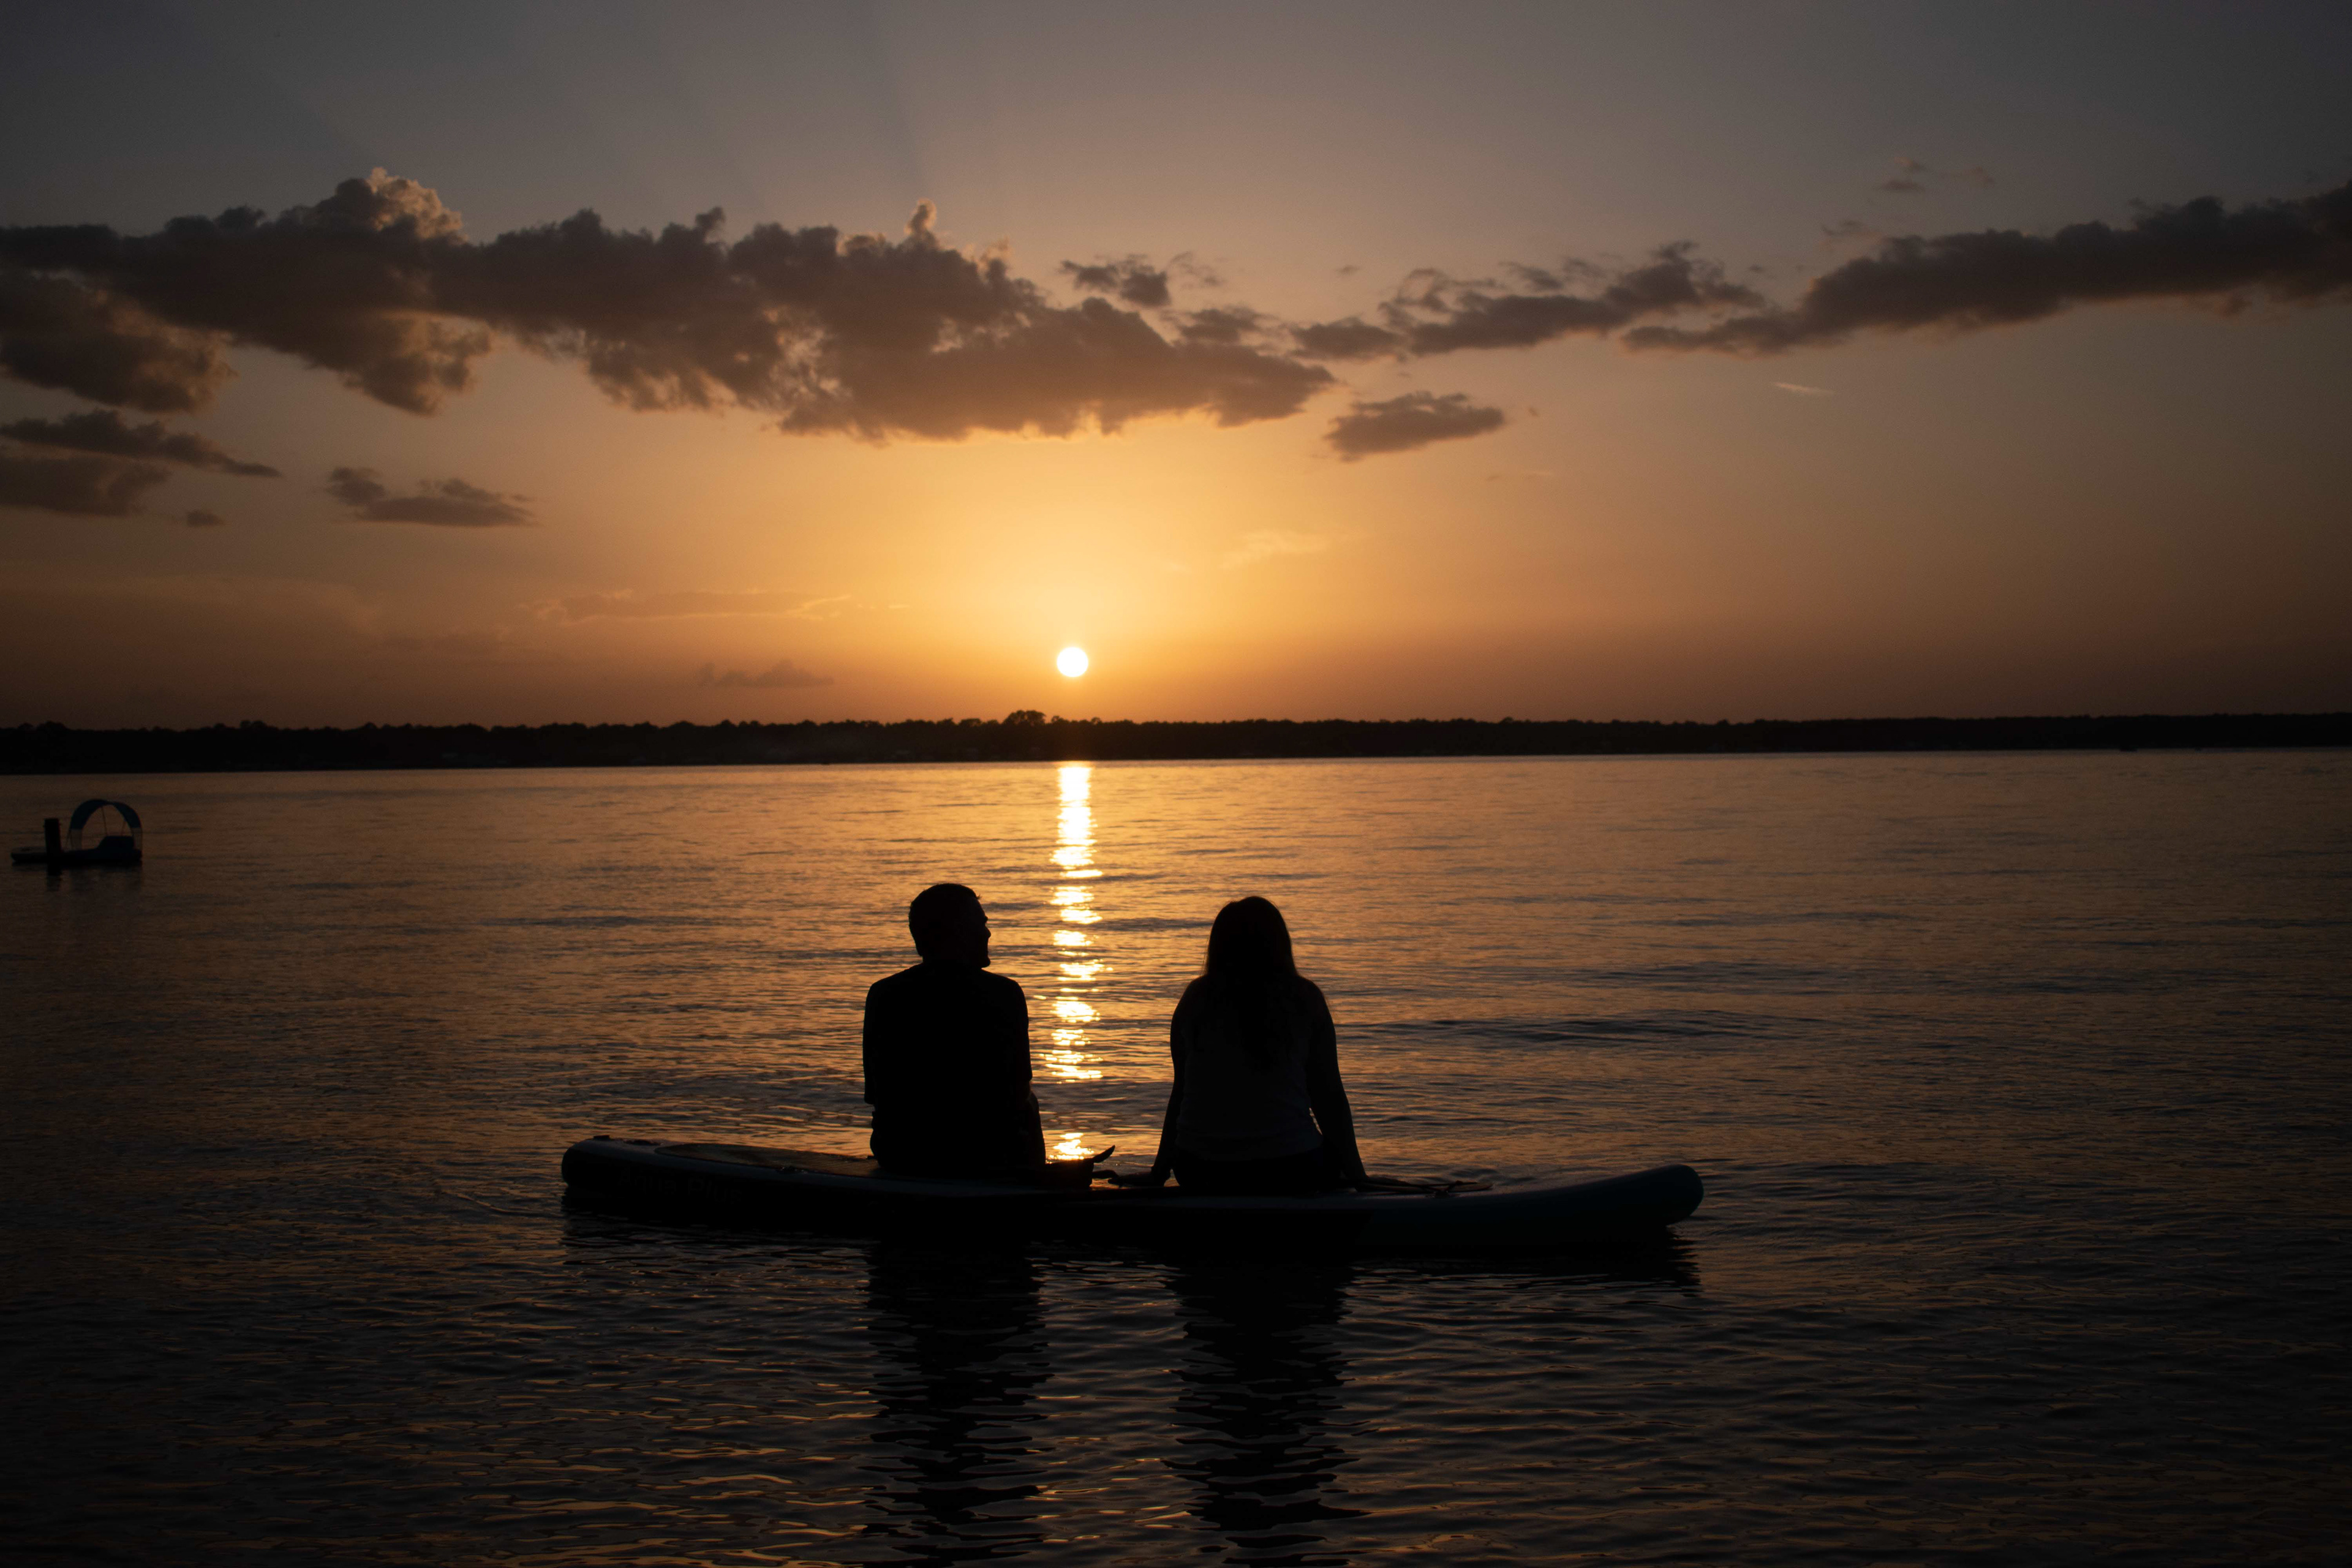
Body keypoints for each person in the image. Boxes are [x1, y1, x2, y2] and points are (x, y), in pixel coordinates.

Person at [1136, 896, 1370, 1194]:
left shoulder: (1195, 1000)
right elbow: (1329, 1098)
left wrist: (1158, 1173)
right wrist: (1359, 1178)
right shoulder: (1304, 998)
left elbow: (1181, 1093)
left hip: (1198, 1169)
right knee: (1333, 1161)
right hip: (1290, 1167)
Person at [862, 883, 1045, 1177]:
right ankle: (1034, 1181)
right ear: (957, 932)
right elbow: (1016, 1092)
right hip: (982, 1154)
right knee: (1029, 1103)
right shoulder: (1003, 994)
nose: (988, 933)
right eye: (980, 925)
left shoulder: (883, 994)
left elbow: (876, 1093)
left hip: (900, 1151)